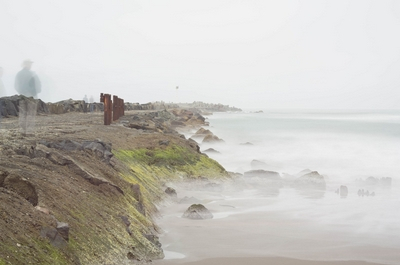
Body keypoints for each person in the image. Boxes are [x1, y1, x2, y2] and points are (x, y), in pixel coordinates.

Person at [15, 59, 41, 135]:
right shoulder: (32, 74)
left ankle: (22, 131)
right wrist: (33, 92)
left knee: (23, 113)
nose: (30, 65)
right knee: (30, 114)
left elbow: (16, 86)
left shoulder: (19, 74)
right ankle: (29, 131)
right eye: (29, 64)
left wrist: (21, 92)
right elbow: (38, 85)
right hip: (31, 97)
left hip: (22, 97)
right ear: (26, 64)